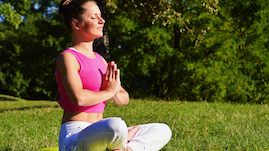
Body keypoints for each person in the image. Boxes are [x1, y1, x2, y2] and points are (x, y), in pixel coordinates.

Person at [55, 0, 172, 150]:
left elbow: (124, 98)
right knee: (116, 125)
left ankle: (125, 148)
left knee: (162, 129)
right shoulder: (68, 57)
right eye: (93, 17)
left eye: (101, 16)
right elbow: (79, 98)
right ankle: (122, 142)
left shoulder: (100, 60)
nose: (101, 20)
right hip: (75, 137)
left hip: (102, 133)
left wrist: (114, 91)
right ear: (76, 25)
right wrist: (109, 91)